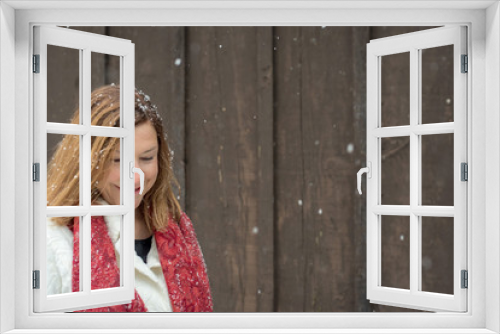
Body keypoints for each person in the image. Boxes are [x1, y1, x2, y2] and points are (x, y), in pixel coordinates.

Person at [45, 85, 213, 312]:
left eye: (146, 158)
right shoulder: (54, 238)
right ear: (88, 159)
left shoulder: (178, 232)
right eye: (117, 160)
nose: (135, 177)